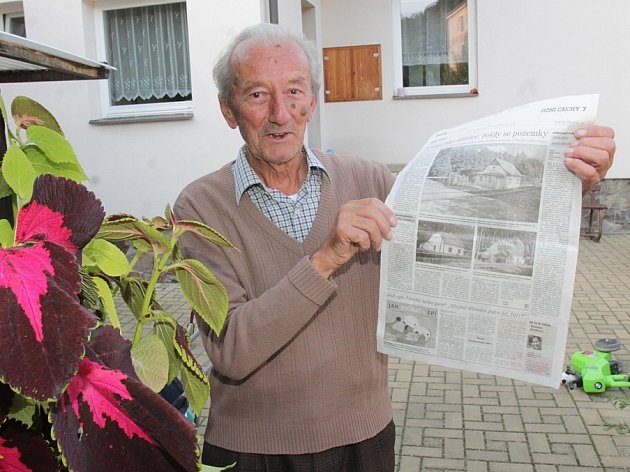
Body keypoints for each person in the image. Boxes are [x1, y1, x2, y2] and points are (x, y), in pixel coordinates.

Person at [174, 23, 615, 472]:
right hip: (251, 452)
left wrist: (567, 185)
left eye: (293, 91)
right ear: (229, 110)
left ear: (311, 102)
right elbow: (230, 348)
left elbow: (472, 245)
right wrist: (326, 259)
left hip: (364, 440)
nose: (279, 113)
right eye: (256, 95)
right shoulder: (199, 206)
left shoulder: (370, 180)